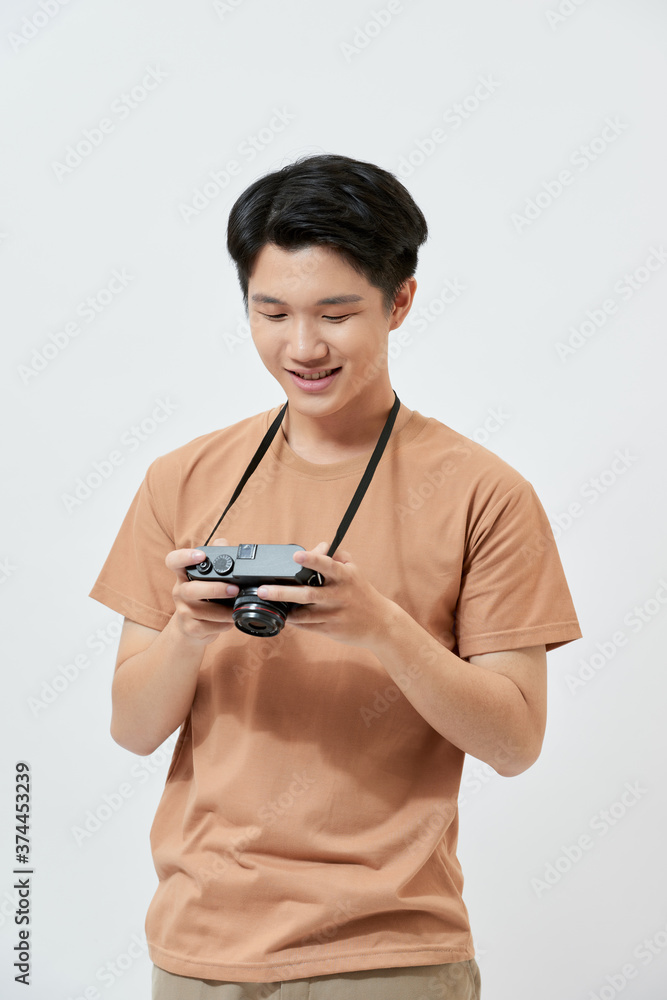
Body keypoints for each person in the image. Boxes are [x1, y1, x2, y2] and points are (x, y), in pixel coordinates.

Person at [90, 152, 582, 1000]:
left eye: (336, 313)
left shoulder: (485, 494)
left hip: (387, 957)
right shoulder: (182, 479)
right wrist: (187, 630)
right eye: (270, 311)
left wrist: (379, 625)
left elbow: (515, 740)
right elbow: (132, 728)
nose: (302, 346)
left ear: (399, 302)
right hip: (197, 950)